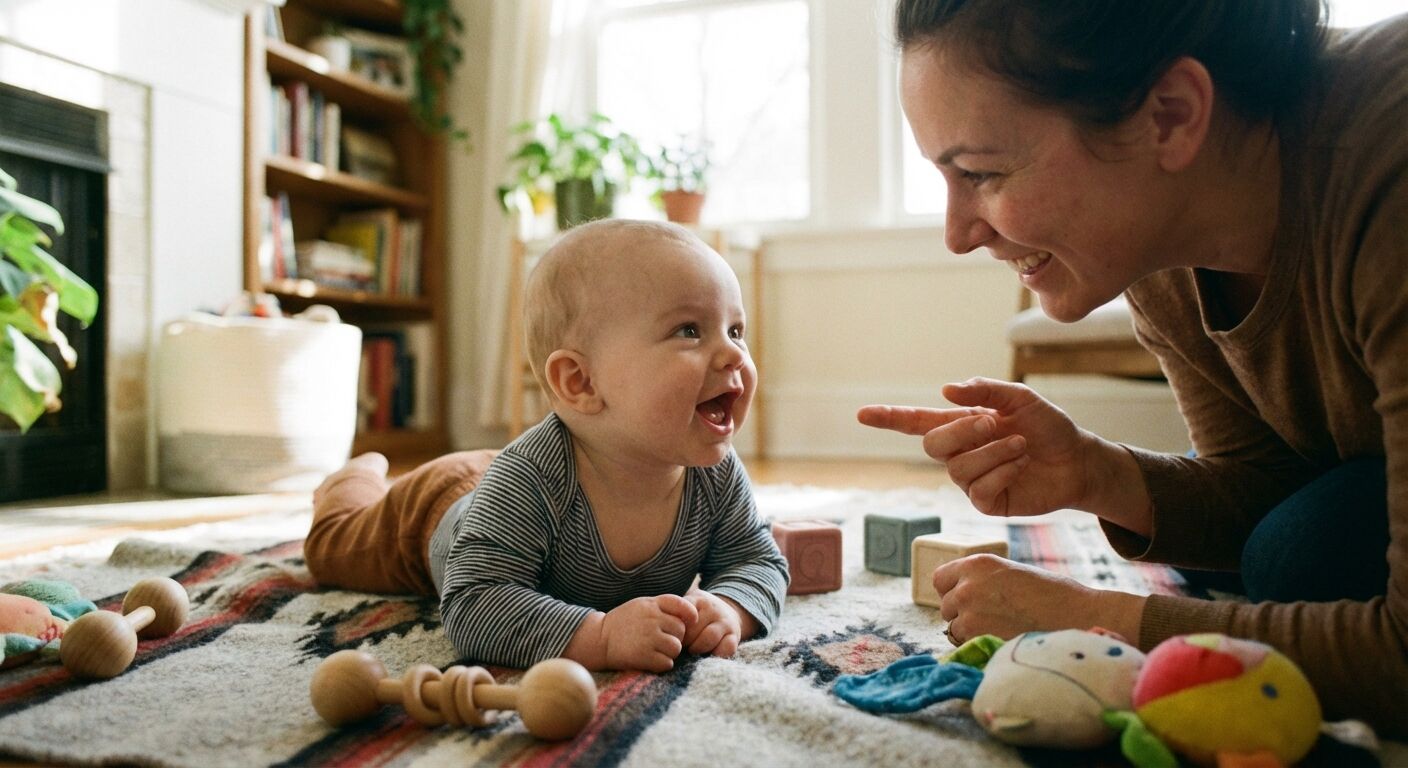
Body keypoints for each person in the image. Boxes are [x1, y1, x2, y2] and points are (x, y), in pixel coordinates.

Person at [862, 0, 1408, 735]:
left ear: (1172, 116)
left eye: (983, 173)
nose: (958, 234)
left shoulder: (1388, 162)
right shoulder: (1162, 237)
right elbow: (1269, 488)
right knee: (1293, 547)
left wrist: (1098, 618)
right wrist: (1096, 474)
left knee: (1300, 557)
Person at [305, 219, 788, 673]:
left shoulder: (715, 472)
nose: (733, 354)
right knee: (334, 547)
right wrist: (599, 636)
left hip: (501, 481)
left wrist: (731, 607)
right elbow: (476, 604)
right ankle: (351, 481)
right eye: (689, 331)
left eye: (735, 330)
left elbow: (758, 560)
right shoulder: (528, 479)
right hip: (434, 507)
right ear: (580, 381)